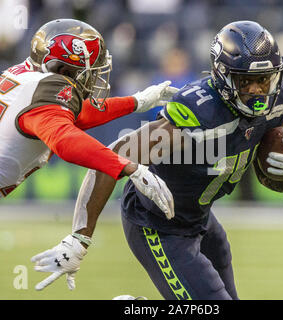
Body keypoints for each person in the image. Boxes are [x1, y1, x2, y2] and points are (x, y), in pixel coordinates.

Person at [33, 21, 283, 298]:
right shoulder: (200, 113)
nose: (258, 92)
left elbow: (266, 171)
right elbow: (111, 158)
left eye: (263, 80)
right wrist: (79, 238)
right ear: (223, 75)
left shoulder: (277, 100)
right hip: (158, 225)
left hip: (200, 219)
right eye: (246, 82)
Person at [0, 18, 177, 289]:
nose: (94, 77)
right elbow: (64, 139)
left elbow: (75, 112)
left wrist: (137, 101)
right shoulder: (48, 89)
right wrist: (130, 167)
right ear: (62, 68)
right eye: (89, 70)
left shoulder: (26, 77)